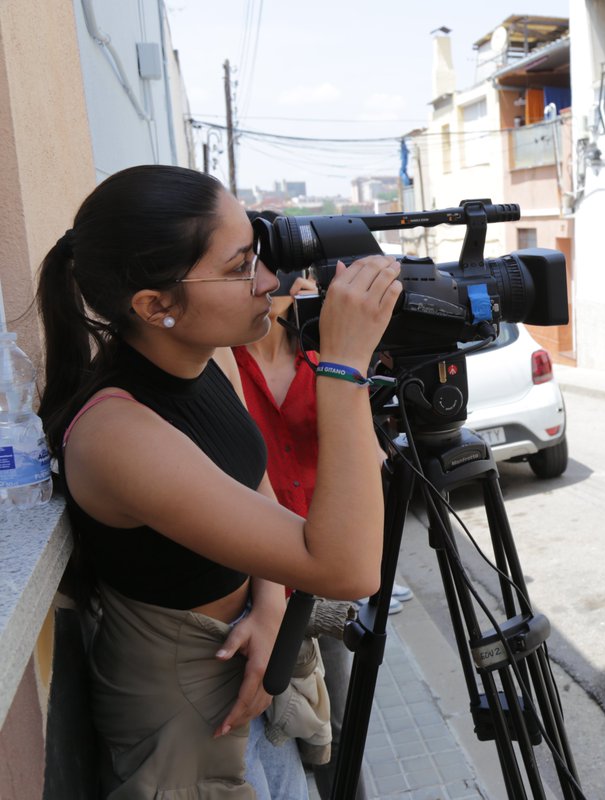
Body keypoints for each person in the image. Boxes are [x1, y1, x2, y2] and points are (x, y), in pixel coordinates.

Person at [36, 165, 402, 797]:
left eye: (257, 253)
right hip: (184, 708)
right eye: (238, 268)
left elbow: (250, 487)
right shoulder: (117, 435)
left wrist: (267, 606)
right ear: (155, 307)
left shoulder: (204, 363)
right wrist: (343, 368)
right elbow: (348, 568)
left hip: (250, 658)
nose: (267, 282)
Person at [233, 209, 410, 799]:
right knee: (266, 724)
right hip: (254, 564)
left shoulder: (325, 354)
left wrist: (342, 351)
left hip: (328, 560)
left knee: (331, 719)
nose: (270, 286)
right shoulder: (222, 363)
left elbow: (362, 445)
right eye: (253, 271)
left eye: (275, 272)